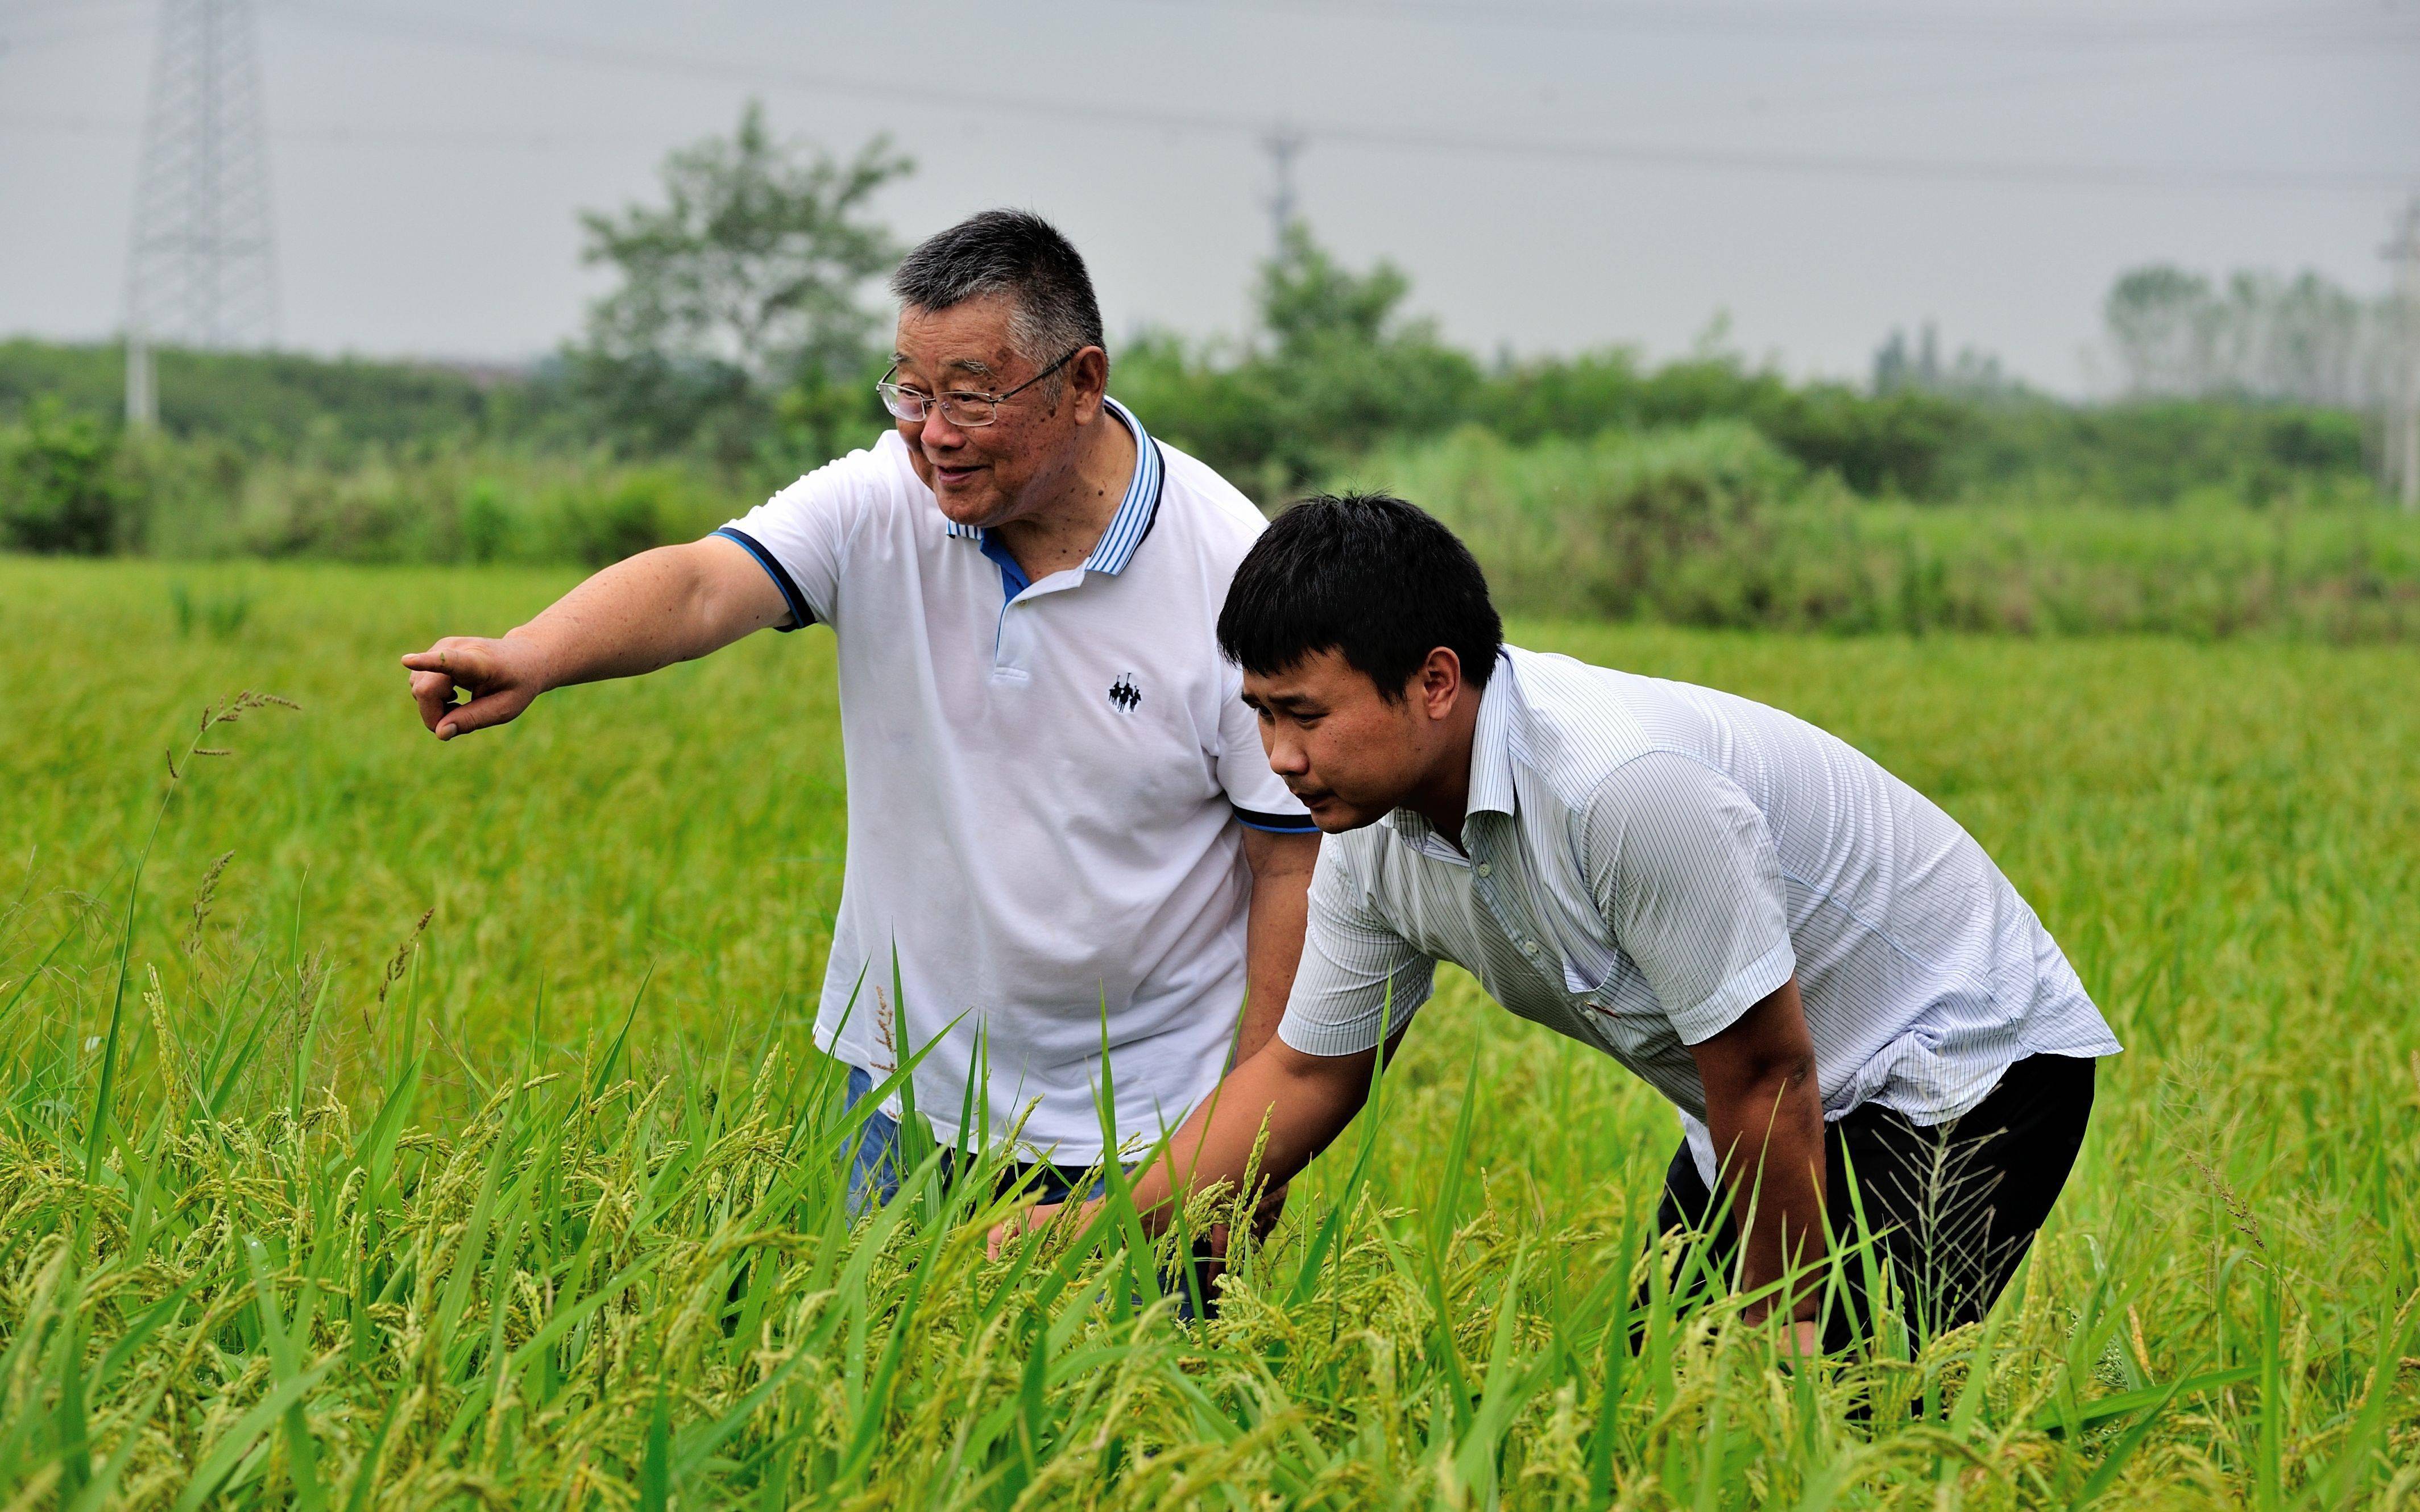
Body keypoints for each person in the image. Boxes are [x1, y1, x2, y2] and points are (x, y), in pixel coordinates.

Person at [1014, 492, 2121, 1354]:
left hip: (1955, 1067)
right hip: (1751, 1100)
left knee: (1829, 1410)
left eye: (1305, 715)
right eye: (1259, 714)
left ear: (1435, 681)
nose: (1280, 758)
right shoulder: (1367, 838)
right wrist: (1105, 1222)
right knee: (1655, 1399)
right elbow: (1306, 1075)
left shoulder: (1620, 789)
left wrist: (1776, 1325)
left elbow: (1770, 1075)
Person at [401, 210, 1320, 1220]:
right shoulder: (886, 500)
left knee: (1128, 1379)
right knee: (873, 1369)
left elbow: (1288, 863)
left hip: (1140, 1125)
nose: (933, 435)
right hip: (900, 1094)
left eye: (970, 397)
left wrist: (1247, 1148)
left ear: (1082, 383)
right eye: (912, 393)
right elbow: (706, 585)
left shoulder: (1230, 568)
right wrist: (535, 653)